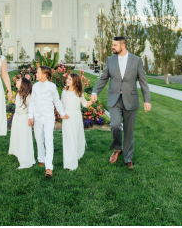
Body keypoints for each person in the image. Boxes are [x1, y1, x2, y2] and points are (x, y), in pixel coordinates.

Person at [90, 34, 151, 168]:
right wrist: (95, 92)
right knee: (115, 125)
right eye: (112, 45)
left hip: (131, 99)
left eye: (114, 45)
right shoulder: (110, 60)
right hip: (114, 99)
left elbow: (143, 81)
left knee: (129, 131)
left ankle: (128, 158)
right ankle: (117, 148)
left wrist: (147, 100)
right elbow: (103, 78)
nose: (112, 47)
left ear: (123, 46)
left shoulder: (136, 60)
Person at [28, 63, 68, 176]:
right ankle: (41, 157)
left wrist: (62, 113)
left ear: (45, 75)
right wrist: (30, 117)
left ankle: (49, 167)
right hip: (37, 116)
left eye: (38, 72)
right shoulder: (35, 86)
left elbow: (57, 101)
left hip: (49, 117)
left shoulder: (52, 86)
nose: (36, 74)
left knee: (48, 140)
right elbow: (32, 103)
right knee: (38, 138)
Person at [8, 72, 35, 170]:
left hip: (24, 118)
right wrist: (11, 100)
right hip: (17, 118)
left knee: (23, 137)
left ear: (23, 84)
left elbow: (32, 107)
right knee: (17, 135)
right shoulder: (18, 93)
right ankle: (18, 152)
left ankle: (25, 160)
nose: (17, 81)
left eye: (19, 80)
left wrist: (31, 118)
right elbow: (18, 104)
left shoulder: (27, 95)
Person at [60, 71, 87, 171]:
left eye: (70, 79)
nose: (67, 80)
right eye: (67, 78)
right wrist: (62, 114)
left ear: (75, 81)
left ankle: (75, 156)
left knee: (75, 137)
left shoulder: (79, 93)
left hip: (76, 117)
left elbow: (85, 104)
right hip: (67, 117)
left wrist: (92, 101)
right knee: (68, 138)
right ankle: (69, 162)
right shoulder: (64, 92)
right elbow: (61, 106)